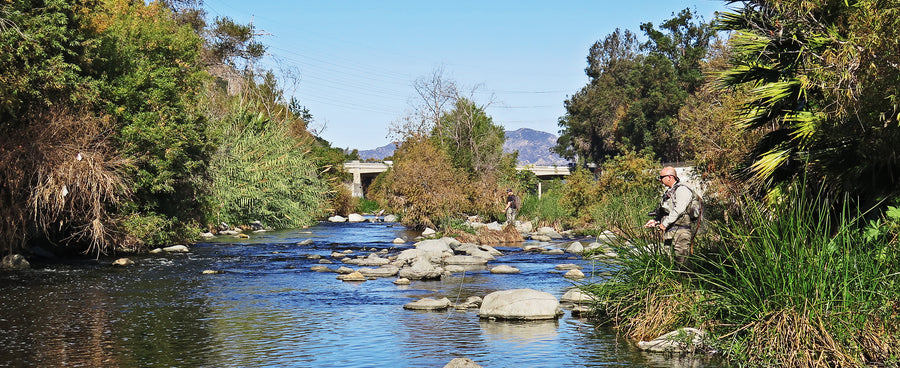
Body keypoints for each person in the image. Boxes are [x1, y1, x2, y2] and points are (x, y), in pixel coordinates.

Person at [644, 166, 697, 263]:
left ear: (670, 177)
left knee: (683, 264)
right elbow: (667, 211)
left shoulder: (682, 190)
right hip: (670, 233)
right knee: (670, 262)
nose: (660, 180)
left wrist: (665, 224)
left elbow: (679, 209)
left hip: (681, 233)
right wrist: (656, 221)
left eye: (661, 177)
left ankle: (686, 278)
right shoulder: (669, 191)